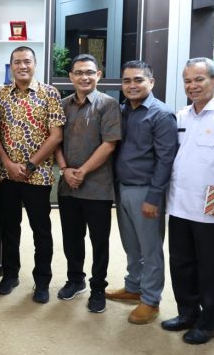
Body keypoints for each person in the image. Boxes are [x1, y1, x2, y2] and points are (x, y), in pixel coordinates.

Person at [161, 57, 214, 345]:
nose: (192, 85)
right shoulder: (181, 116)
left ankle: (209, 324)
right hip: (179, 205)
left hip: (213, 209)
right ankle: (187, 313)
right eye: (187, 81)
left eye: (199, 79)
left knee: (211, 269)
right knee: (181, 264)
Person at [106, 60, 177, 324]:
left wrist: (154, 197)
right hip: (122, 187)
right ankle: (133, 286)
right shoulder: (121, 110)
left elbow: (166, 160)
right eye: (127, 81)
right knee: (131, 245)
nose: (132, 85)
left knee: (151, 249)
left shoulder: (162, 114)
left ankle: (151, 300)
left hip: (146, 191)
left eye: (138, 80)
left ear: (151, 82)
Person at [0, 46, 65, 303]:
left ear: (35, 64)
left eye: (27, 61)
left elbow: (56, 136)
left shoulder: (50, 93)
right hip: (8, 174)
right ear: (11, 65)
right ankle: (10, 275)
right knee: (9, 229)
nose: (22, 66)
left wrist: (30, 165)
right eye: (17, 62)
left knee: (41, 231)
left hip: (38, 175)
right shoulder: (0, 95)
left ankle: (42, 281)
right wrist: (8, 163)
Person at [55, 53, 121, 314]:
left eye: (90, 72)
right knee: (71, 237)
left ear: (98, 75)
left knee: (99, 241)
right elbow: (55, 141)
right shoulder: (62, 104)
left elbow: (109, 144)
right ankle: (75, 280)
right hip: (67, 185)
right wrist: (65, 170)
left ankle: (97, 288)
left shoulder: (108, 104)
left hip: (97, 186)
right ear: (71, 77)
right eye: (79, 73)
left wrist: (81, 171)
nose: (85, 77)